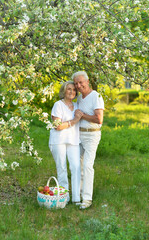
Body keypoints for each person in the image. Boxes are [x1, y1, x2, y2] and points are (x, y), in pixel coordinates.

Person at [72, 71, 104, 209]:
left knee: (87, 166)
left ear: (87, 81)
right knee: (78, 166)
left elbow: (98, 119)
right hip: (79, 135)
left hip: (92, 135)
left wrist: (82, 116)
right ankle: (77, 195)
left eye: (81, 82)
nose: (79, 85)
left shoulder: (96, 96)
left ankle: (87, 198)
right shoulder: (79, 98)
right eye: (76, 83)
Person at [49, 81, 83, 204]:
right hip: (58, 141)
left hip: (73, 140)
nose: (72, 92)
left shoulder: (77, 105)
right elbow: (57, 126)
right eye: (69, 89)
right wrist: (74, 121)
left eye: (74, 90)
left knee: (76, 167)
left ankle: (76, 198)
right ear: (64, 91)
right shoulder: (58, 105)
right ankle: (64, 197)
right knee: (62, 168)